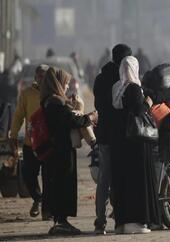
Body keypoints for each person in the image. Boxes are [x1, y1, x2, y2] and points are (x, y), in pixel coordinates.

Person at [41, 67, 98, 235]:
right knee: (63, 185)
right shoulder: (55, 102)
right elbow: (73, 121)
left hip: (56, 150)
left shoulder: (50, 101)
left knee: (58, 184)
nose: (66, 87)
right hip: (61, 151)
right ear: (57, 83)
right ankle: (61, 222)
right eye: (65, 84)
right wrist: (91, 118)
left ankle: (60, 220)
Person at [111, 56, 161, 234]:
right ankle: (138, 221)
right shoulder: (133, 88)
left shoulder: (117, 88)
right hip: (136, 143)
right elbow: (138, 111)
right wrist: (147, 104)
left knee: (123, 181)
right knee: (138, 181)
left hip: (121, 142)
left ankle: (122, 222)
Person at [92, 44, 132, 235]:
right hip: (120, 135)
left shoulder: (100, 78)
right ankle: (120, 215)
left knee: (104, 178)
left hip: (104, 134)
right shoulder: (124, 78)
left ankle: (100, 220)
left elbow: (98, 104)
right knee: (121, 176)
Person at [9, 64, 51, 220]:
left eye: (45, 76)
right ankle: (37, 198)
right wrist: (13, 134)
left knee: (48, 177)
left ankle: (47, 209)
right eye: (40, 76)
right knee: (28, 174)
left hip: (48, 144)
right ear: (35, 78)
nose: (42, 79)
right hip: (30, 143)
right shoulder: (27, 94)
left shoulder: (54, 93)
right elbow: (19, 115)